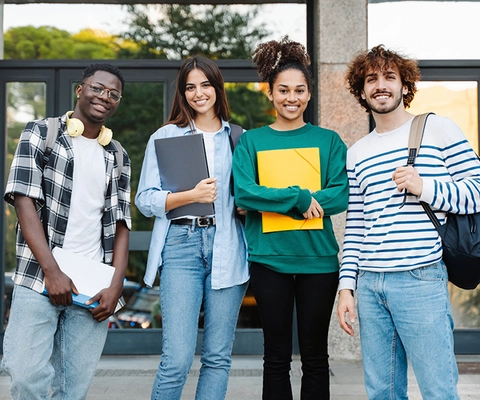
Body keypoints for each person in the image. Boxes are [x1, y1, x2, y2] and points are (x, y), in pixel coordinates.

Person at [337, 44, 480, 399]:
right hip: (370, 284)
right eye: (371, 79)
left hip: (420, 278)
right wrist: (347, 287)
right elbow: (356, 224)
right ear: (362, 88)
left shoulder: (437, 129)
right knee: (381, 392)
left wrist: (426, 187)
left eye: (389, 77)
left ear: (404, 85)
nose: (380, 85)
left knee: (438, 390)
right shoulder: (357, 152)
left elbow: (476, 191)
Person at [2, 63, 131, 399]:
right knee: (25, 375)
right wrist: (52, 272)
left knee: (72, 390)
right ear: (80, 89)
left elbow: (120, 223)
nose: (105, 97)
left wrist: (115, 285)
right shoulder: (40, 133)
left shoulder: (117, 156)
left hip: (92, 286)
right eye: (98, 88)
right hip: (38, 277)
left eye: (113, 94)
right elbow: (23, 202)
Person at [232, 37, 349, 400]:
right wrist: (299, 197)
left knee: (315, 357)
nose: (291, 98)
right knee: (276, 357)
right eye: (283, 90)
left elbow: (339, 194)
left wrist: (279, 199)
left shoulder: (328, 140)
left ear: (310, 95)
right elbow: (246, 192)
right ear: (270, 93)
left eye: (299, 90)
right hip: (269, 260)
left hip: (319, 261)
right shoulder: (251, 141)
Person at [135, 56, 249, 400]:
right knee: (177, 358)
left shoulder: (240, 137)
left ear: (217, 87)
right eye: (190, 87)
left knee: (217, 358)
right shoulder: (166, 135)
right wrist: (189, 195)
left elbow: (249, 196)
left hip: (228, 245)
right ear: (182, 94)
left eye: (205, 84)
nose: (199, 93)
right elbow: (145, 199)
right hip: (181, 244)